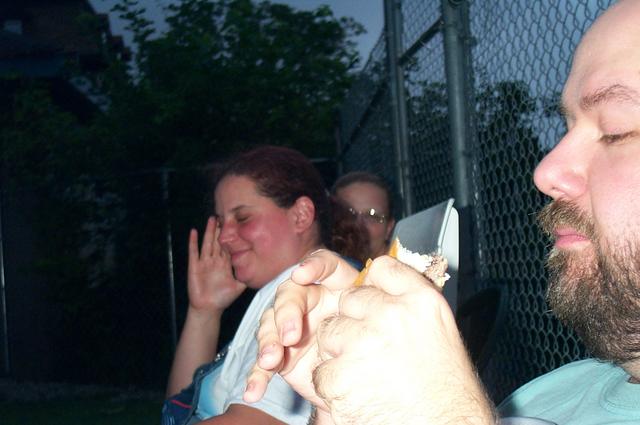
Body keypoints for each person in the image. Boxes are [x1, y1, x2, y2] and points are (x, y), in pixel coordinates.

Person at [243, 1, 640, 424]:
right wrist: (342, 404)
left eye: (615, 131)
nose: (545, 171)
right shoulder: (554, 390)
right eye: (566, 127)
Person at [162, 145, 365, 425]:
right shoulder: (285, 289)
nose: (223, 237)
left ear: (301, 215)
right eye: (221, 222)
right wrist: (204, 312)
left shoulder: (314, 295)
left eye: (242, 218)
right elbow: (179, 407)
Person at [332, 172, 395, 259]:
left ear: (389, 228)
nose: (359, 225)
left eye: (371, 216)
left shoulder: (407, 265)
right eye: (348, 214)